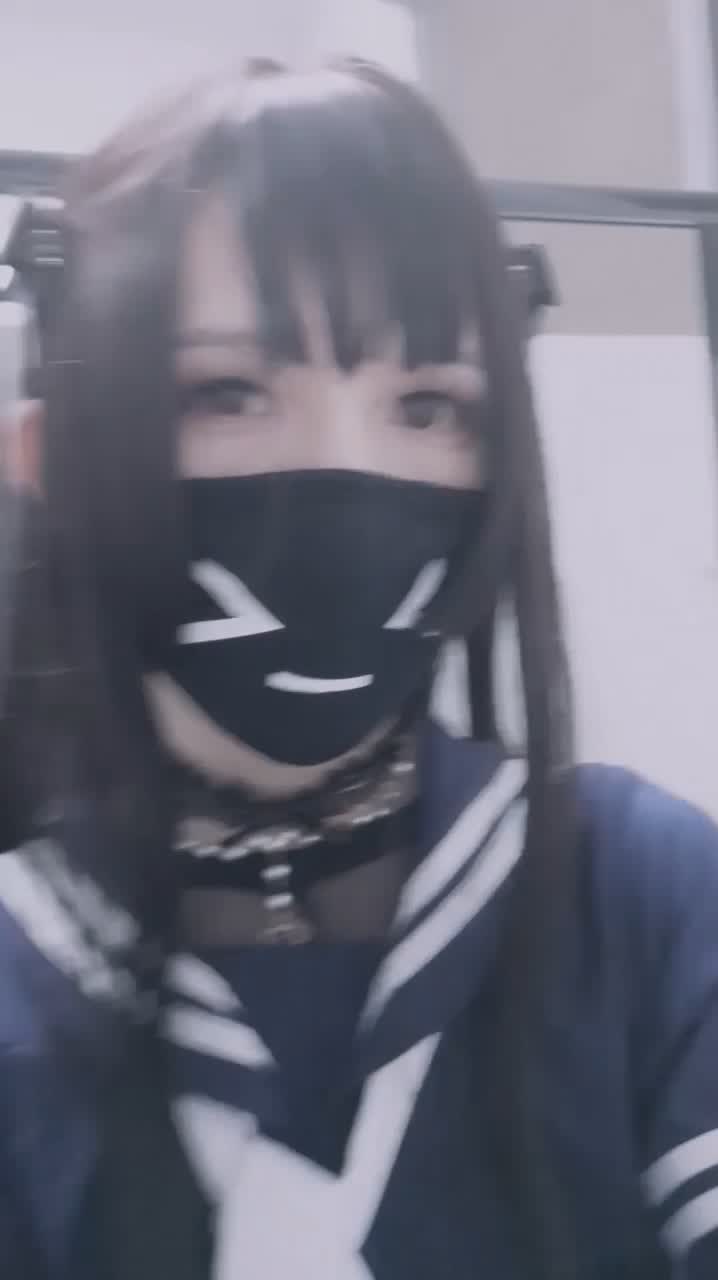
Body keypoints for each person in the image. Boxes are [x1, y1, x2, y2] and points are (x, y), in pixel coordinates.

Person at [0, 59, 716, 1280]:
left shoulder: (637, 889)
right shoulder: (26, 968)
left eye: (427, 406)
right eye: (226, 391)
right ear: (47, 457)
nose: (346, 473)